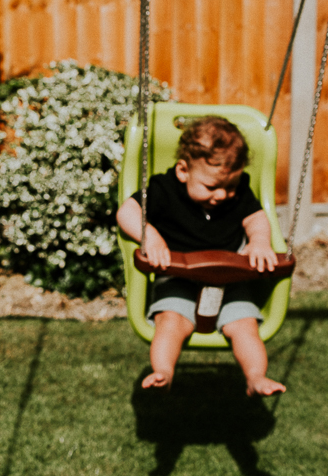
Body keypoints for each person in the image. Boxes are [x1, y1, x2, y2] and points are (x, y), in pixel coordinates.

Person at [115, 115, 287, 396]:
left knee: (245, 327)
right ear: (183, 171)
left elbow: (257, 218)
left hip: (230, 281)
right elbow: (127, 212)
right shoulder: (164, 188)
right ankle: (163, 372)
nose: (221, 195)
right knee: (170, 322)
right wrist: (151, 237)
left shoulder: (240, 190)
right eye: (211, 187)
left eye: (229, 187)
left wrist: (259, 242)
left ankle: (256, 377)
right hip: (177, 277)